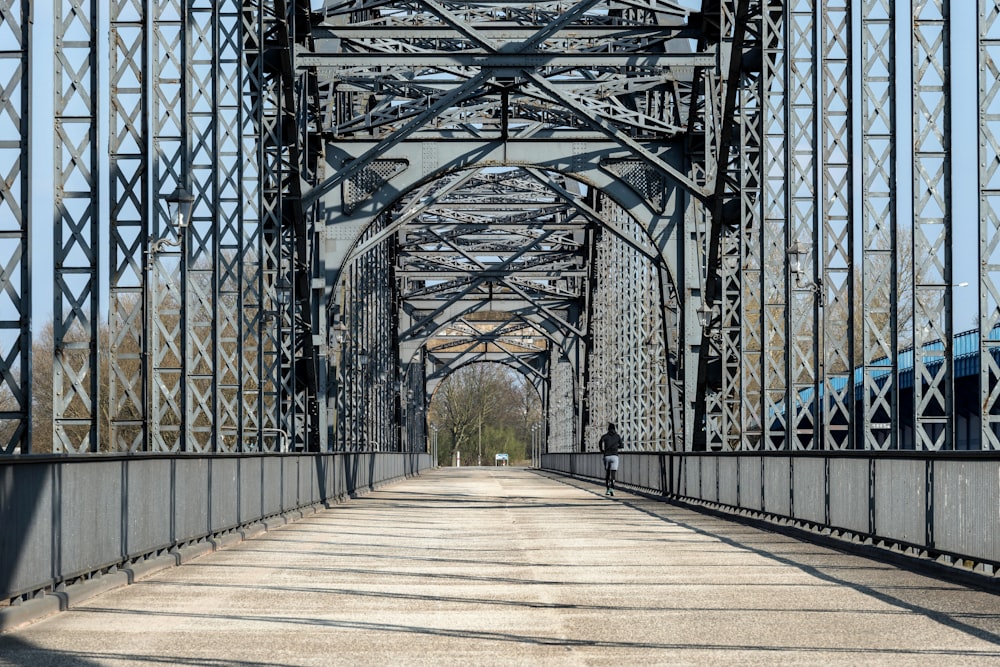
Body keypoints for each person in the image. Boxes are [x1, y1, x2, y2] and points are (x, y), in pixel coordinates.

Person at [598, 423, 623, 496]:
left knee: (607, 473)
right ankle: (612, 488)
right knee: (613, 474)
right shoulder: (617, 436)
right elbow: (621, 446)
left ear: (608, 429)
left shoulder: (605, 436)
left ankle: (607, 489)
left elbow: (600, 442)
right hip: (615, 456)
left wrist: (601, 450)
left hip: (607, 456)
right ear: (614, 429)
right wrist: (615, 447)